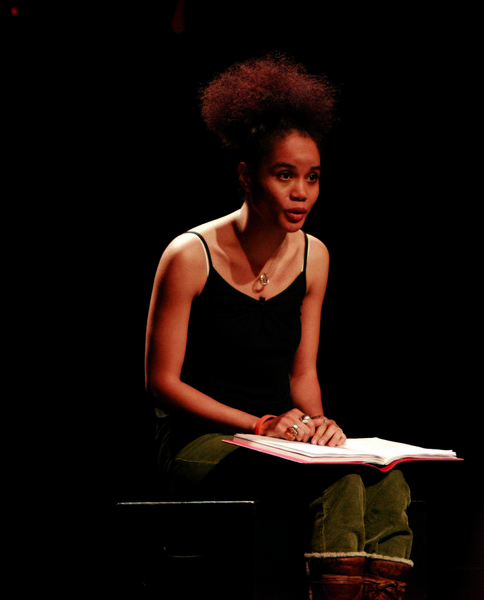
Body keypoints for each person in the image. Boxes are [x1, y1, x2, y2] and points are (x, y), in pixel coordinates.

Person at [144, 53, 413, 599]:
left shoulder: (316, 256)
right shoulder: (190, 255)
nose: (301, 193)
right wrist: (260, 424)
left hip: (280, 439)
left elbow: (302, 373)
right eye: (284, 175)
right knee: (335, 479)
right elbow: (161, 384)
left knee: (389, 479)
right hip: (203, 443)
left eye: (312, 178)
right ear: (247, 176)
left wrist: (321, 427)